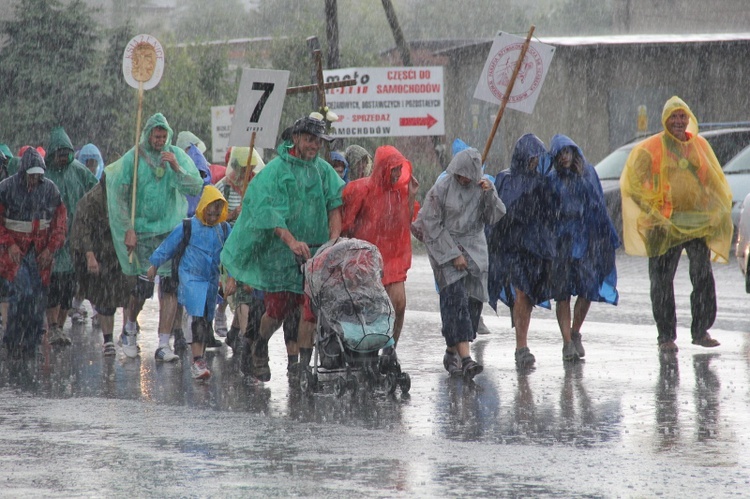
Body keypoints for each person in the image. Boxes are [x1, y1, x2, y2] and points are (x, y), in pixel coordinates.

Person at [221, 115, 344, 382]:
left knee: (307, 308)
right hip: (280, 253)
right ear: (296, 139)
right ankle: (260, 343)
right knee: (276, 312)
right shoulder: (277, 171)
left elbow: (335, 203)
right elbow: (271, 213)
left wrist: (334, 241)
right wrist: (291, 241)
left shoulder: (323, 171)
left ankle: (300, 368)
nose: (314, 146)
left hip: (315, 254)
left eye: (318, 141)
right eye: (310, 140)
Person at [621, 96, 732, 353]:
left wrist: (717, 211)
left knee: (702, 275)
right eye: (673, 117)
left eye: (682, 116)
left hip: (696, 223)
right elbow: (632, 184)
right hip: (662, 225)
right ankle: (666, 336)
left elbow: (714, 182)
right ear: (665, 120)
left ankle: (701, 330)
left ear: (689, 118)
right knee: (661, 281)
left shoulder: (700, 146)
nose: (679, 121)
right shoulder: (651, 148)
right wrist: (653, 209)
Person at [106, 112, 203, 359]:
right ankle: (129, 330)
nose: (160, 140)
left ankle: (163, 344)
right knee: (142, 288)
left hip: (170, 233)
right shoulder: (134, 158)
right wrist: (128, 226)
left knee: (170, 288)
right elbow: (118, 191)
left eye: (163, 136)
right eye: (156, 136)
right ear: (148, 134)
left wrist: (176, 167)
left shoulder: (175, 155)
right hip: (143, 234)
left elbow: (194, 186)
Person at [412, 147, 505, 380]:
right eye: (461, 175)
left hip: (475, 249)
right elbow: (430, 223)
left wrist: (490, 194)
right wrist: (453, 254)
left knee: (472, 306)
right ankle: (466, 360)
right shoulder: (441, 189)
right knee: (455, 301)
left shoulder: (481, 188)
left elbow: (494, 216)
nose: (464, 179)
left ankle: (451, 352)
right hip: (445, 248)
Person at [342, 145, 419, 372]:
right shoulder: (360, 190)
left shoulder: (401, 192)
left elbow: (407, 222)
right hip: (367, 260)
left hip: (393, 256)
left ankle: (390, 349)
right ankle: (368, 350)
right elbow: (347, 222)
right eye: (393, 169)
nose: (396, 174)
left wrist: (412, 195)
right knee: (372, 309)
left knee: (399, 304)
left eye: (399, 169)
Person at [147, 185, 234, 379]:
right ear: (202, 208)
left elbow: (232, 253)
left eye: (216, 214)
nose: (212, 218)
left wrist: (232, 277)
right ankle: (197, 361)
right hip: (191, 277)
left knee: (205, 317)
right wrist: (154, 264)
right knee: (198, 316)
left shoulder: (223, 229)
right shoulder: (189, 226)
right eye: (209, 214)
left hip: (211, 279)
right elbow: (168, 245)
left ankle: (199, 358)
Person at [547, 134, 620, 361]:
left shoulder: (587, 175)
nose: (565, 157)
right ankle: (567, 342)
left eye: (569, 152)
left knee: (587, 290)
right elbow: (546, 212)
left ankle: (575, 332)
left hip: (585, 242)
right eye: (561, 153)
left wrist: (606, 237)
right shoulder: (551, 180)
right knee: (563, 295)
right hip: (561, 245)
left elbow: (597, 206)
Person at [487, 134, 556, 369]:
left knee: (526, 296)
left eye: (537, 157)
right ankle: (521, 346)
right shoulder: (505, 180)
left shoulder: (542, 182)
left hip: (533, 249)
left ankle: (522, 343)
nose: (535, 161)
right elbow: (496, 211)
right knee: (520, 294)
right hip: (512, 249)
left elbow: (548, 214)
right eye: (531, 157)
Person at [0, 148, 67, 358]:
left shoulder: (50, 190)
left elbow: (60, 223)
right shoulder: (6, 189)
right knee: (22, 293)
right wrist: (9, 244)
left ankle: (30, 342)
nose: (35, 179)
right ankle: (12, 338)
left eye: (39, 174)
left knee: (38, 298)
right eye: (32, 175)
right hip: (14, 254)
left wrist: (51, 248)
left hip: (40, 255)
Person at [69, 172, 136, 356]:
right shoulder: (91, 200)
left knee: (131, 294)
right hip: (101, 252)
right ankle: (108, 340)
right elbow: (82, 230)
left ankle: (128, 332)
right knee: (106, 298)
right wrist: (90, 255)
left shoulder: (129, 196)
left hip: (123, 252)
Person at [44, 126, 98, 346]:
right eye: (60, 153)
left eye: (67, 153)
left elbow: (95, 191)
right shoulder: (45, 173)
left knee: (69, 288)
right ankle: (53, 326)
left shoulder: (78, 170)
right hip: (50, 239)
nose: (63, 157)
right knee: (52, 286)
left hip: (74, 237)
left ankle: (59, 325)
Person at [213, 147, 265, 341]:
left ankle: (237, 333)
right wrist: (233, 215)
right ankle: (229, 321)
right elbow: (211, 218)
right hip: (229, 246)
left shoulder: (257, 185)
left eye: (251, 167)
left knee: (245, 291)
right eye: (244, 168)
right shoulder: (222, 187)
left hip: (250, 246)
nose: (248, 172)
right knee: (233, 287)